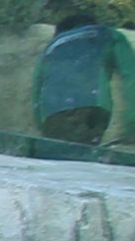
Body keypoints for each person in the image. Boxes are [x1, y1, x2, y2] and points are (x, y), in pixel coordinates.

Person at [32, 12, 135, 151]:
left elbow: (36, 91)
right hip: (91, 106)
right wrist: (132, 124)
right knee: (82, 161)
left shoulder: (51, 47)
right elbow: (131, 76)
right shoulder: (108, 34)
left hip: (51, 115)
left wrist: (42, 125)